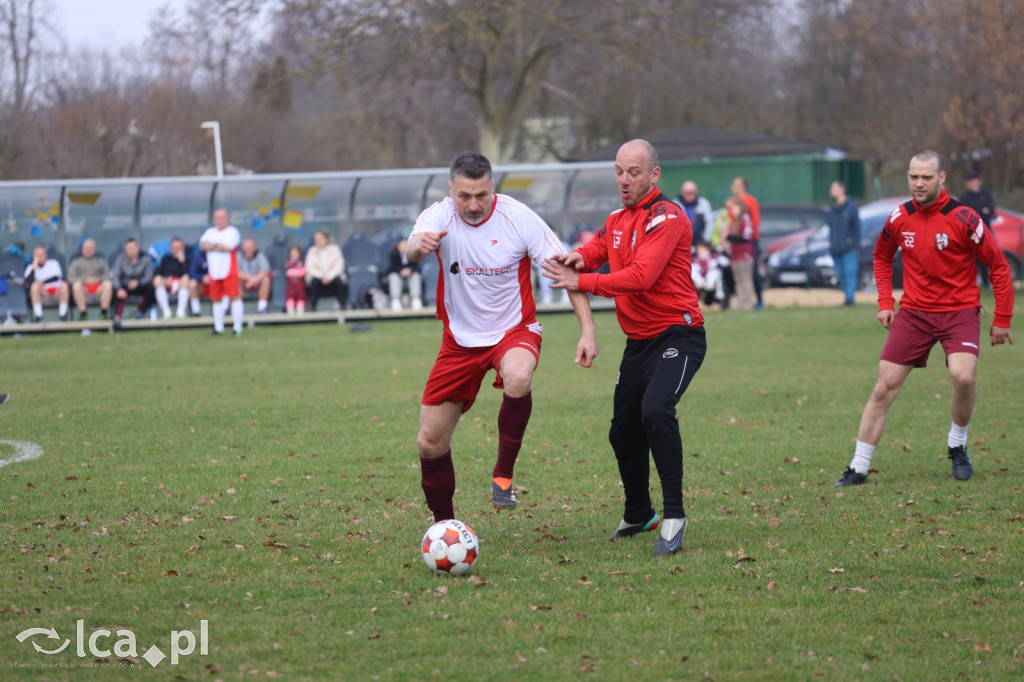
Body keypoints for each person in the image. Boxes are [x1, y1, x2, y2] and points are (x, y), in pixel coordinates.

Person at [406, 151, 597, 522]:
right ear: (451, 190)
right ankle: (445, 529)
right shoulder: (438, 215)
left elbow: (565, 272)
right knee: (429, 442)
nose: (474, 205)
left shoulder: (518, 217)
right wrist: (419, 246)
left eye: (482, 195)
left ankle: (503, 475)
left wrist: (588, 331)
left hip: (514, 331)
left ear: (492, 187)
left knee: (519, 375)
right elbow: (412, 247)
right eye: (464, 196)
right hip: (459, 343)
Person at [543, 139, 706, 556]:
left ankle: (674, 515)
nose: (624, 180)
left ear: (654, 174)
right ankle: (638, 512)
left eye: (633, 172)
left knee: (655, 411)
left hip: (678, 335)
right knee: (622, 431)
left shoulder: (667, 216)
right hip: (639, 343)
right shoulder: (617, 218)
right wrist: (577, 258)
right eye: (618, 171)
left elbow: (640, 276)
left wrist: (583, 282)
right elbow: (597, 249)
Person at [833, 151, 1014, 488]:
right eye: (914, 176)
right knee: (883, 387)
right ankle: (858, 467)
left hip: (959, 311)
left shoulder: (965, 218)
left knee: (963, 377)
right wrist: (885, 301)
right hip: (914, 313)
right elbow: (881, 256)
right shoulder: (899, 217)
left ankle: (957, 444)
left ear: (942, 178)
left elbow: (999, 266)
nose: (919, 183)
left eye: (926, 177)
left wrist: (1002, 317)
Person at [199, 208, 244, 337]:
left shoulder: (233, 232)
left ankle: (237, 327)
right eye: (217, 218)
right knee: (216, 299)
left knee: (234, 297)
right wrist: (217, 246)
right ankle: (218, 328)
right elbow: (203, 245)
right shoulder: (210, 232)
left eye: (222, 217)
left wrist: (212, 246)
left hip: (228, 269)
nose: (220, 220)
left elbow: (227, 247)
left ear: (227, 218)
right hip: (213, 271)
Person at [958, 170, 996, 288]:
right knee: (972, 259)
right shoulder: (964, 198)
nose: (972, 183)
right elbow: (964, 214)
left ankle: (991, 282)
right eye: (970, 181)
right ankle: (976, 282)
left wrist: (980, 212)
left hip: (986, 231)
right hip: (970, 233)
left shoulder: (986, 196)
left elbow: (990, 211)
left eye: (974, 180)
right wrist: (981, 211)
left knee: (991, 256)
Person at [827, 180, 862, 306]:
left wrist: (855, 245)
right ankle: (847, 297)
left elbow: (857, 228)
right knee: (841, 275)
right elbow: (830, 228)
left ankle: (850, 299)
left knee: (850, 273)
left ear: (842, 189)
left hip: (849, 249)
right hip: (835, 248)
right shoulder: (832, 209)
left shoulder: (852, 207)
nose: (831, 190)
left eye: (833, 188)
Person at [731, 176, 763, 308]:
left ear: (742, 187)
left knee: (751, 272)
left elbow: (755, 221)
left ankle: (759, 300)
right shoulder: (735, 202)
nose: (732, 187)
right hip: (736, 243)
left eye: (735, 184)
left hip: (748, 242)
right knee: (739, 274)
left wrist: (749, 238)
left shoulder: (750, 201)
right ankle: (742, 301)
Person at [110, 238, 154, 329]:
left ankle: (140, 312)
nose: (130, 251)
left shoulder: (145, 259)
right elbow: (115, 276)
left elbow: (148, 277)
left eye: (133, 248)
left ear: (137, 248)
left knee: (151, 288)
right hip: (125, 285)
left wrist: (138, 282)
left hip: (140, 285)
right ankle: (117, 318)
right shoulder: (121, 259)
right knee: (118, 292)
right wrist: (119, 288)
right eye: (128, 249)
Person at [67, 238, 113, 321]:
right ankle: (84, 314)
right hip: (83, 288)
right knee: (76, 286)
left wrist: (98, 279)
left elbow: (107, 275)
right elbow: (70, 278)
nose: (88, 250)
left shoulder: (101, 261)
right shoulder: (76, 262)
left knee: (108, 284)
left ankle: (104, 314)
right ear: (82, 249)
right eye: (86, 248)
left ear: (95, 249)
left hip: (99, 287)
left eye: (90, 248)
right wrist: (84, 280)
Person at [725, 197, 756, 310]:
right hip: (735, 255)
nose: (732, 210)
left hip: (744, 254)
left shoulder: (745, 219)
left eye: (734, 207)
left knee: (745, 279)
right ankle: (741, 303)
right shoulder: (734, 221)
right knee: (738, 280)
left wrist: (732, 238)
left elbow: (747, 236)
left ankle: (747, 303)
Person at [25, 245, 70, 322]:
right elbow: (28, 284)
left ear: (46, 255)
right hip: (41, 292)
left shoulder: (53, 263)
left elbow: (56, 277)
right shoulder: (30, 267)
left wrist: (43, 282)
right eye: (37, 255)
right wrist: (34, 268)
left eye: (42, 255)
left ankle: (62, 315)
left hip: (57, 290)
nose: (40, 257)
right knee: (34, 286)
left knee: (64, 285)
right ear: (33, 256)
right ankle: (39, 316)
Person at [305, 230, 348, 311]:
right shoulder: (312, 251)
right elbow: (310, 268)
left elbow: (339, 266)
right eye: (315, 239)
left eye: (319, 238)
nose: (316, 241)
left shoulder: (335, 249)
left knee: (339, 280)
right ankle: (313, 308)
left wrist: (329, 276)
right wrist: (322, 276)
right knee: (314, 281)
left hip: (333, 279)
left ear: (326, 239)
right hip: (318, 280)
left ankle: (343, 307)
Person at [152, 237, 192, 319]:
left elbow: (190, 275)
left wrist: (182, 261)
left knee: (186, 278)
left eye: (179, 247)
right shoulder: (165, 259)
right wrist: (164, 280)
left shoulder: (188, 260)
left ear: (183, 248)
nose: (177, 250)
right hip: (167, 285)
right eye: (174, 247)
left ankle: (180, 311)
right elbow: (156, 273)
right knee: (157, 280)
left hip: (181, 286)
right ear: (171, 248)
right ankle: (166, 312)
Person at [385, 238, 423, 311]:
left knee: (416, 276)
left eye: (405, 245)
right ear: (398, 246)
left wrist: (410, 270)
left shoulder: (413, 253)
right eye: (402, 245)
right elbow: (392, 267)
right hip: (398, 275)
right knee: (393, 277)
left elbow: (416, 267)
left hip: (410, 276)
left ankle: (416, 300)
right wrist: (400, 271)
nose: (403, 247)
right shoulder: (393, 254)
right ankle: (395, 301)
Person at [237, 238, 273, 314]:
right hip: (243, 282)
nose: (248, 249)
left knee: (265, 280)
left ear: (255, 247)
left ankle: (262, 308)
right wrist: (250, 278)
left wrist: (254, 280)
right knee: (236, 281)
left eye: (250, 246)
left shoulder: (260, 255)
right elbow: (235, 272)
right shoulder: (238, 256)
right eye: (246, 246)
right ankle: (238, 309)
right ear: (242, 248)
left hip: (257, 282)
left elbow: (264, 271)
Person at [284, 244, 307, 314]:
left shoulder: (302, 262)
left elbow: (304, 271)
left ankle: (300, 310)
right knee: (290, 297)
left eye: (296, 251)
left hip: (300, 286)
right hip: (291, 286)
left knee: (301, 297)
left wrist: (298, 273)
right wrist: (294, 272)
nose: (294, 253)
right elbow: (287, 271)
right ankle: (290, 310)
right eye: (292, 252)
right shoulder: (288, 262)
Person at [187, 248, 209, 317]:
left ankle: (224, 311)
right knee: (192, 283)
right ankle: (196, 312)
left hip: (217, 284)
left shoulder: (220, 257)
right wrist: (202, 277)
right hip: (202, 286)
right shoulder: (198, 258)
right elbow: (192, 273)